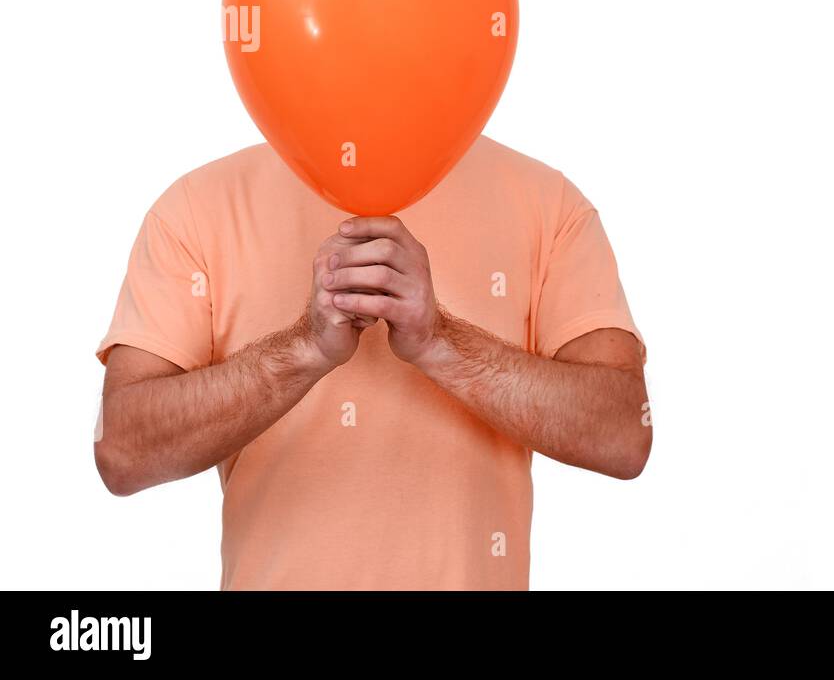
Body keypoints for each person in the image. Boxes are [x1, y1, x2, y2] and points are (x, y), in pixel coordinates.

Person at [93, 136, 649, 589]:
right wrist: (302, 350)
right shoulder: (198, 207)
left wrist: (441, 343)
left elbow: (624, 435)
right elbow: (123, 451)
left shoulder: (549, 205)